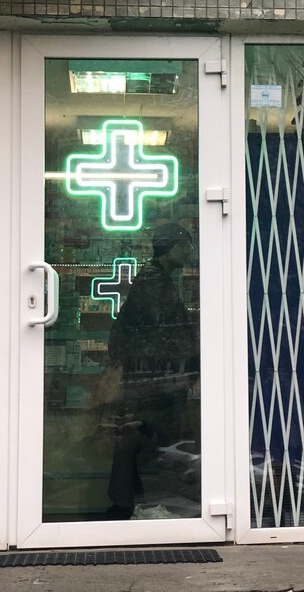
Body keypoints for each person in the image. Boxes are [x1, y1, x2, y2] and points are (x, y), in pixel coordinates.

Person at [104, 222, 199, 520]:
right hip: (155, 379)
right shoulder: (154, 282)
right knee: (153, 439)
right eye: (185, 245)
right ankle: (138, 505)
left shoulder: (153, 278)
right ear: (170, 248)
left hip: (149, 376)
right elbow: (163, 334)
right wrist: (186, 367)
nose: (190, 251)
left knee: (137, 438)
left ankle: (128, 502)